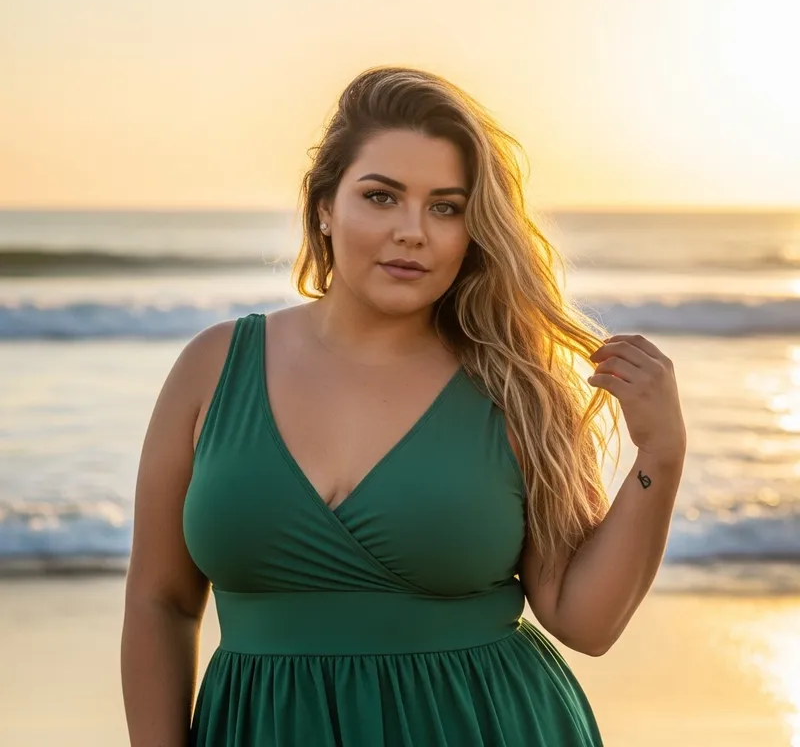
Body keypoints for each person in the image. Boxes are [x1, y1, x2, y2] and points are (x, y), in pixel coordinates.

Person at [121, 66, 687, 746]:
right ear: (324, 207)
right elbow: (161, 601)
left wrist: (660, 455)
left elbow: (584, 622)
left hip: (482, 726)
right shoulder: (213, 368)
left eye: (446, 207)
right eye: (381, 197)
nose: (413, 231)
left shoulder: (514, 388)